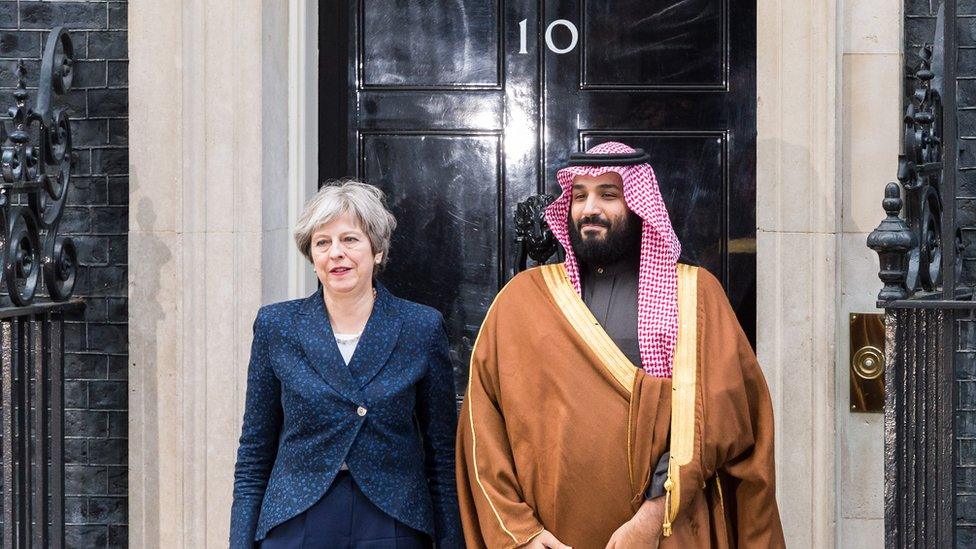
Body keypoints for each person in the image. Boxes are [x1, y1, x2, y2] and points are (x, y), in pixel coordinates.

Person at [456, 142, 785, 548]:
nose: (590, 208)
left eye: (608, 195)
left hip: (667, 532)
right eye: (579, 196)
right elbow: (482, 429)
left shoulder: (694, 295)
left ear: (639, 203)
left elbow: (717, 413)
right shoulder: (521, 300)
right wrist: (521, 533)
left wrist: (653, 515)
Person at [230, 180, 462, 548]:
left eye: (350, 239)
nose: (336, 253)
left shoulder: (421, 327)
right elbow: (254, 453)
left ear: (378, 250)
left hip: (393, 519)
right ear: (312, 255)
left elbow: (442, 457)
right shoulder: (277, 326)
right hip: (297, 517)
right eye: (323, 243)